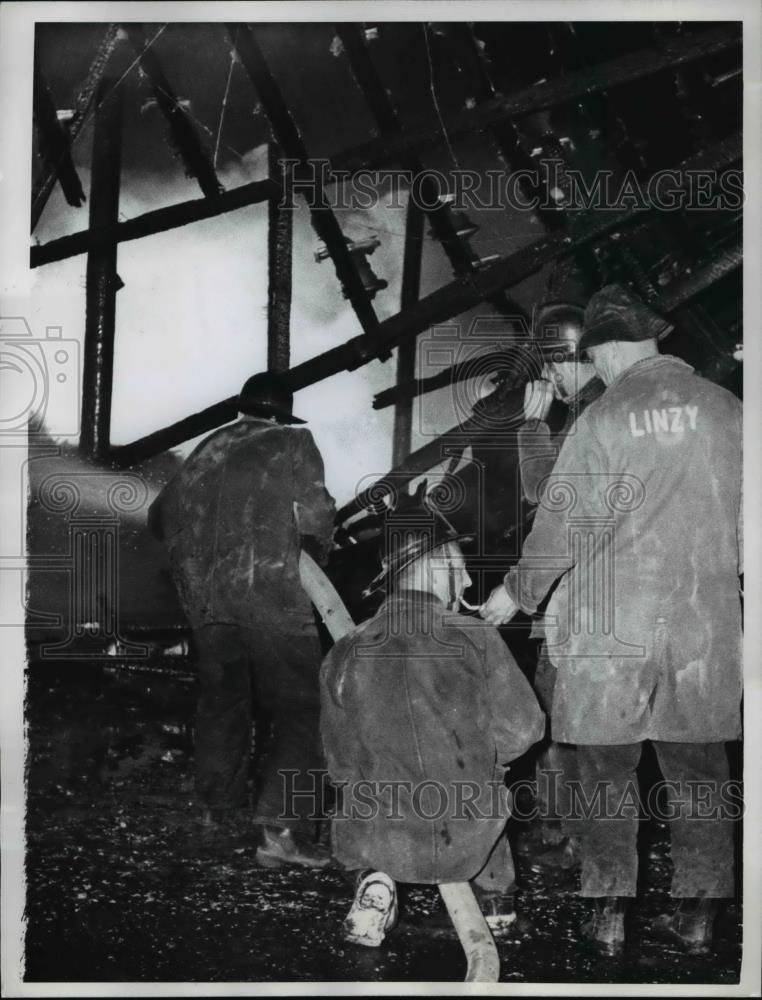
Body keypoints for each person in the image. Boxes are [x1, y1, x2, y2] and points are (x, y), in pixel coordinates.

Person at [480, 283, 743, 957]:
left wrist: (518, 590)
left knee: (603, 777)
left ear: (607, 349)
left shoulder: (603, 420)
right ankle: (697, 918)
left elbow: (563, 518)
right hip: (701, 632)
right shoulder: (729, 410)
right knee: (699, 778)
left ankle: (605, 917)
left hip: (611, 630)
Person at [320, 496, 545, 946]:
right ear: (434, 563)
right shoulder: (476, 636)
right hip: (469, 837)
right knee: (490, 786)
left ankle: (374, 881)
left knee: (355, 793)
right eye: (458, 565)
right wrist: (482, 762)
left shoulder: (345, 649)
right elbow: (525, 728)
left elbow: (339, 763)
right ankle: (497, 905)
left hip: (381, 835)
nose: (464, 579)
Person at [148, 371, 336, 867]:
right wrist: (318, 553)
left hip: (205, 603)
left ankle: (217, 811)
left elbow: (157, 516)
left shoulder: (208, 448)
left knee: (223, 701)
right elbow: (316, 516)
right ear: (281, 413)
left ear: (245, 408)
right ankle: (283, 833)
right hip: (268, 594)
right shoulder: (293, 440)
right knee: (305, 707)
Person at [518, 300, 605, 868]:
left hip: (580, 592)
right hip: (592, 590)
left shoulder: (587, 414)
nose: (547, 378)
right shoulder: (603, 407)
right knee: (559, 714)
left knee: (561, 715)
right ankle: (561, 827)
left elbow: (543, 496)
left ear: (567, 359)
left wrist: (531, 427)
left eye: (550, 366)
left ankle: (575, 837)